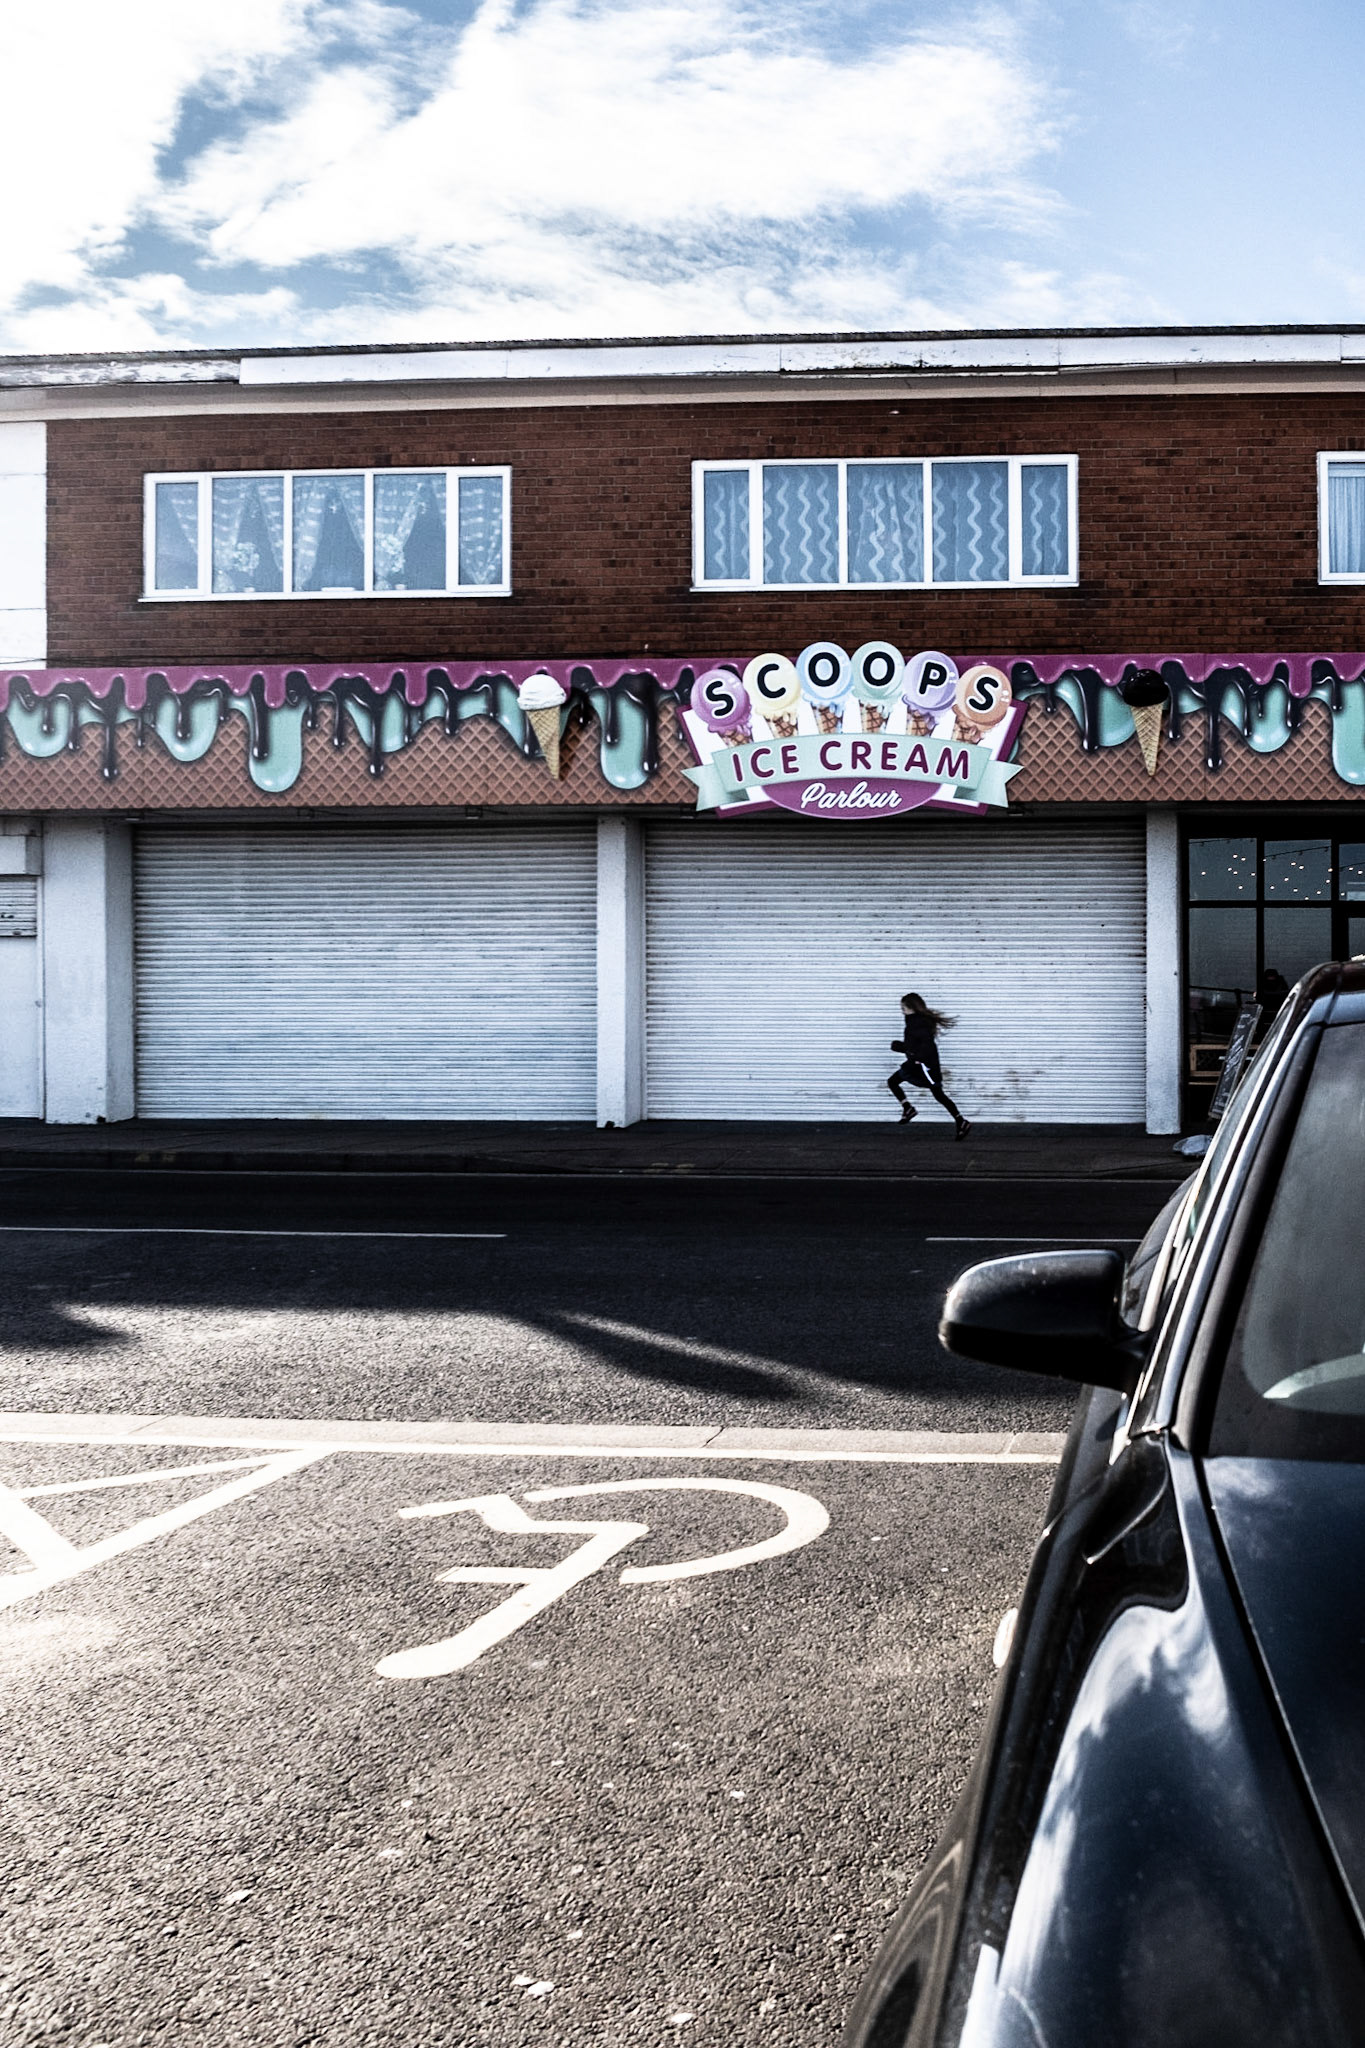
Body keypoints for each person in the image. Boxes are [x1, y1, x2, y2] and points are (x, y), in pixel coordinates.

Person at [887, 992, 971, 1139]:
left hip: (925, 1067)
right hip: (915, 1064)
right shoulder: (913, 1021)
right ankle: (908, 1108)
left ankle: (961, 1121)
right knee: (893, 1081)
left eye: (904, 1007)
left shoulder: (918, 1024)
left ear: (912, 1008)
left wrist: (907, 1050)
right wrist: (903, 1047)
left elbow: (926, 1046)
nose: (902, 1010)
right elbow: (913, 1045)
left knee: (939, 1095)